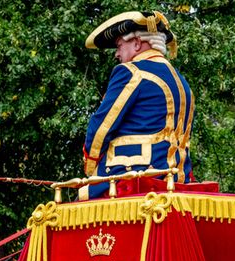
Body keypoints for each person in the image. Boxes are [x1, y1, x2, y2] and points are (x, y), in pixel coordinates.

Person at [82, 10, 194, 199]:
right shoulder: (182, 81)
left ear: (136, 43)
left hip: (132, 177)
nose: (117, 54)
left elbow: (101, 127)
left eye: (119, 45)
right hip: (176, 179)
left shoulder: (131, 72)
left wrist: (91, 167)